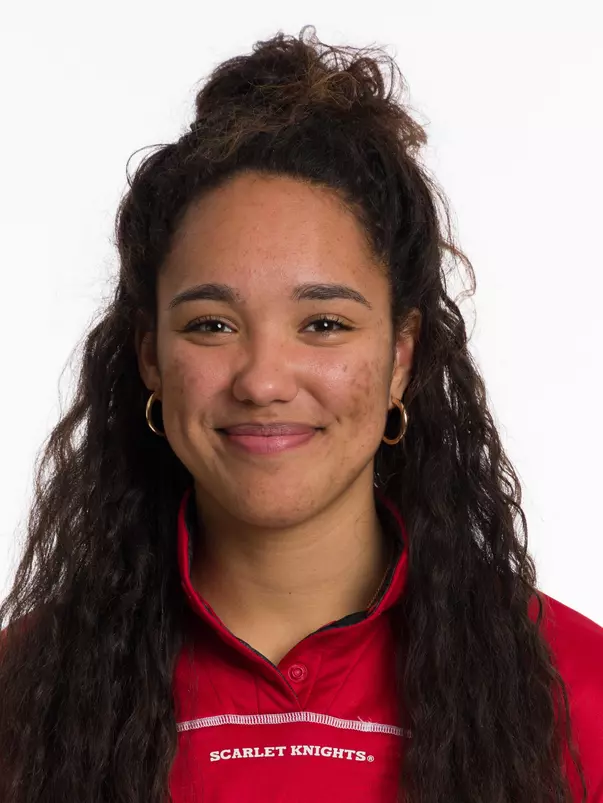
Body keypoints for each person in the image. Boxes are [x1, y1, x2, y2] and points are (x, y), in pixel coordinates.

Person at [0, 24, 601, 803]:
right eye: (211, 324)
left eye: (322, 323)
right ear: (150, 356)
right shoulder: (23, 698)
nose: (262, 380)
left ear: (401, 355)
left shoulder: (577, 690)